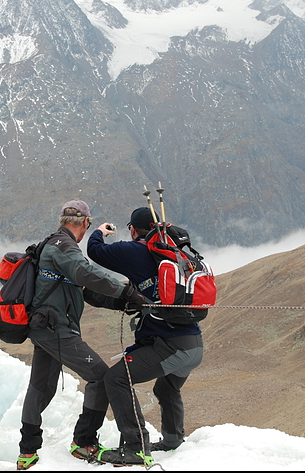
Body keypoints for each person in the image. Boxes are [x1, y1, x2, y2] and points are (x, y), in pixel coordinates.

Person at [17, 200, 150, 471]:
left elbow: (84, 290)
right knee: (101, 377)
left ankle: (27, 452)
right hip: (58, 332)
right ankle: (84, 442)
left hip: (45, 329)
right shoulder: (63, 247)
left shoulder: (54, 245)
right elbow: (86, 273)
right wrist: (126, 292)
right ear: (85, 223)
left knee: (40, 388)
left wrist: (120, 303)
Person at [86, 207, 205, 467]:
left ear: (133, 229)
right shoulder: (175, 254)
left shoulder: (134, 250)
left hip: (171, 347)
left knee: (116, 379)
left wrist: (99, 231)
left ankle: (136, 448)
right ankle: (172, 440)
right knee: (166, 387)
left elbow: (94, 251)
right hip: (194, 344)